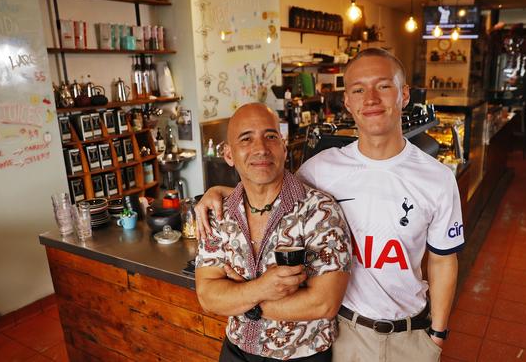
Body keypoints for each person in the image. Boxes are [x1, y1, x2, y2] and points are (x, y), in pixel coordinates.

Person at [197, 48, 464, 362]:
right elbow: (272, 191)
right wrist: (219, 192)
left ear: (404, 95)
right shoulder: (321, 169)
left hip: (410, 332)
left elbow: (443, 260)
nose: (372, 99)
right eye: (359, 89)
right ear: (347, 102)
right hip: (344, 331)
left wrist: (438, 333)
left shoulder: (438, 178)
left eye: (384, 86)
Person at [194, 103, 351, 362]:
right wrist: (263, 288)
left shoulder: (320, 210)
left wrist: (242, 300)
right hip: (236, 350)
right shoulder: (218, 213)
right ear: (229, 154)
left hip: (302, 355)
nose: (260, 148)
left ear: (283, 146)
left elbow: (324, 303)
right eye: (246, 139)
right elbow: (208, 296)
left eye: (270, 136)